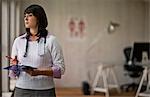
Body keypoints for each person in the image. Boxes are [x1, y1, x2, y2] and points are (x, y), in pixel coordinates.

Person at [9, 4, 65, 97]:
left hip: (45, 91)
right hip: (21, 90)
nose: (26, 18)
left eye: (30, 15)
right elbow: (13, 73)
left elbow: (60, 70)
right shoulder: (18, 41)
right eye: (25, 16)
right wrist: (14, 66)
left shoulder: (51, 41)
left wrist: (38, 72)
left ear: (38, 18)